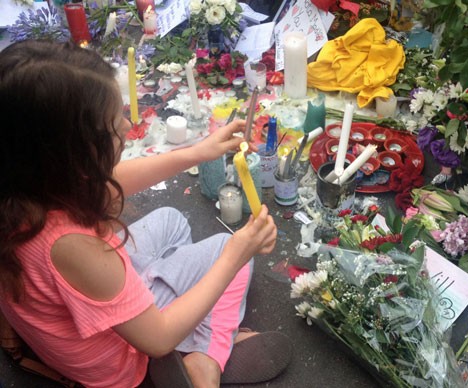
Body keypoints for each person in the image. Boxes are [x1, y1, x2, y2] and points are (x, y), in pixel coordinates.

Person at [0, 40, 290, 388]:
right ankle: (205, 361)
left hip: (78, 314)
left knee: (172, 220)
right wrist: (236, 253)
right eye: (112, 125)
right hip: (123, 361)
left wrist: (196, 153)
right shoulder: (73, 245)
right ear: (70, 153)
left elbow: (112, 181)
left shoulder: (25, 187)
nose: (125, 128)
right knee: (228, 254)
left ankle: (179, 298)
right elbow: (157, 338)